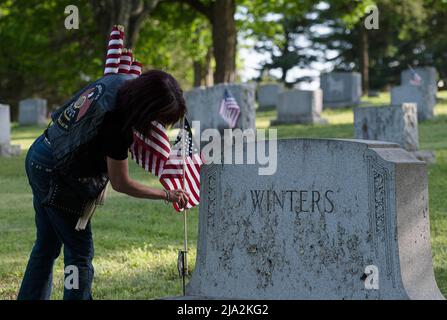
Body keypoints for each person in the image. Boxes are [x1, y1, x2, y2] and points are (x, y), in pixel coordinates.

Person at [17, 70, 189, 300]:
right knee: (79, 254)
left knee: (46, 247)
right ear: (146, 107)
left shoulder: (118, 80)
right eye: (157, 117)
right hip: (56, 174)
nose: (156, 124)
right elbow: (122, 183)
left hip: (40, 152)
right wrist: (166, 194)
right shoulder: (117, 125)